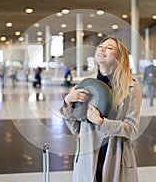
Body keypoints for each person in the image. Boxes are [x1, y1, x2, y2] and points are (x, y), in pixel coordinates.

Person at [60, 37, 142, 182]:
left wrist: (101, 122)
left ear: (119, 57)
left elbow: (132, 129)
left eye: (109, 47)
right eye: (100, 46)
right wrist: (68, 102)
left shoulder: (131, 87)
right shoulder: (87, 84)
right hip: (87, 158)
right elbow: (77, 129)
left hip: (115, 157)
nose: (101, 49)